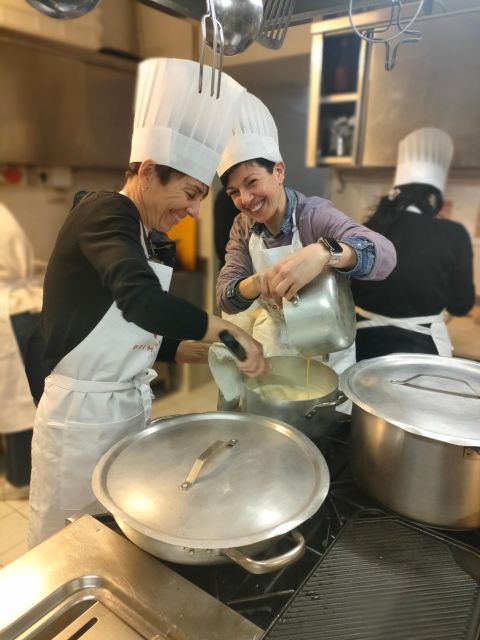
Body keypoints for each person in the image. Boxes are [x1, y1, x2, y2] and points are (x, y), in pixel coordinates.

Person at [27, 58, 266, 547]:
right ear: (150, 170)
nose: (195, 211)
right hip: (80, 422)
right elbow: (139, 300)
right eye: (190, 193)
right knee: (65, 550)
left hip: (126, 410)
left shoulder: (144, 232)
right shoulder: (105, 211)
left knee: (113, 546)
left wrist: (196, 350)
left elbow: (129, 334)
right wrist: (226, 329)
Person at [215, 92, 397, 379]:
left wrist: (325, 252)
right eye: (234, 192)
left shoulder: (314, 216)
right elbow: (226, 296)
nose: (246, 199)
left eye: (252, 182)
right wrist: (257, 282)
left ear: (279, 171)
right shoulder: (242, 226)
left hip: (326, 351)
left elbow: (385, 255)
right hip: (274, 351)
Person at [352, 127, 475, 360]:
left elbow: (350, 291)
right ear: (434, 197)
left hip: (363, 351)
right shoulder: (453, 234)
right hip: (421, 354)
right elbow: (462, 305)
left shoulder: (370, 227)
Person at [0, 203, 44, 496]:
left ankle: (20, 480)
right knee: (28, 397)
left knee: (15, 400)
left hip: (11, 312)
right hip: (26, 308)